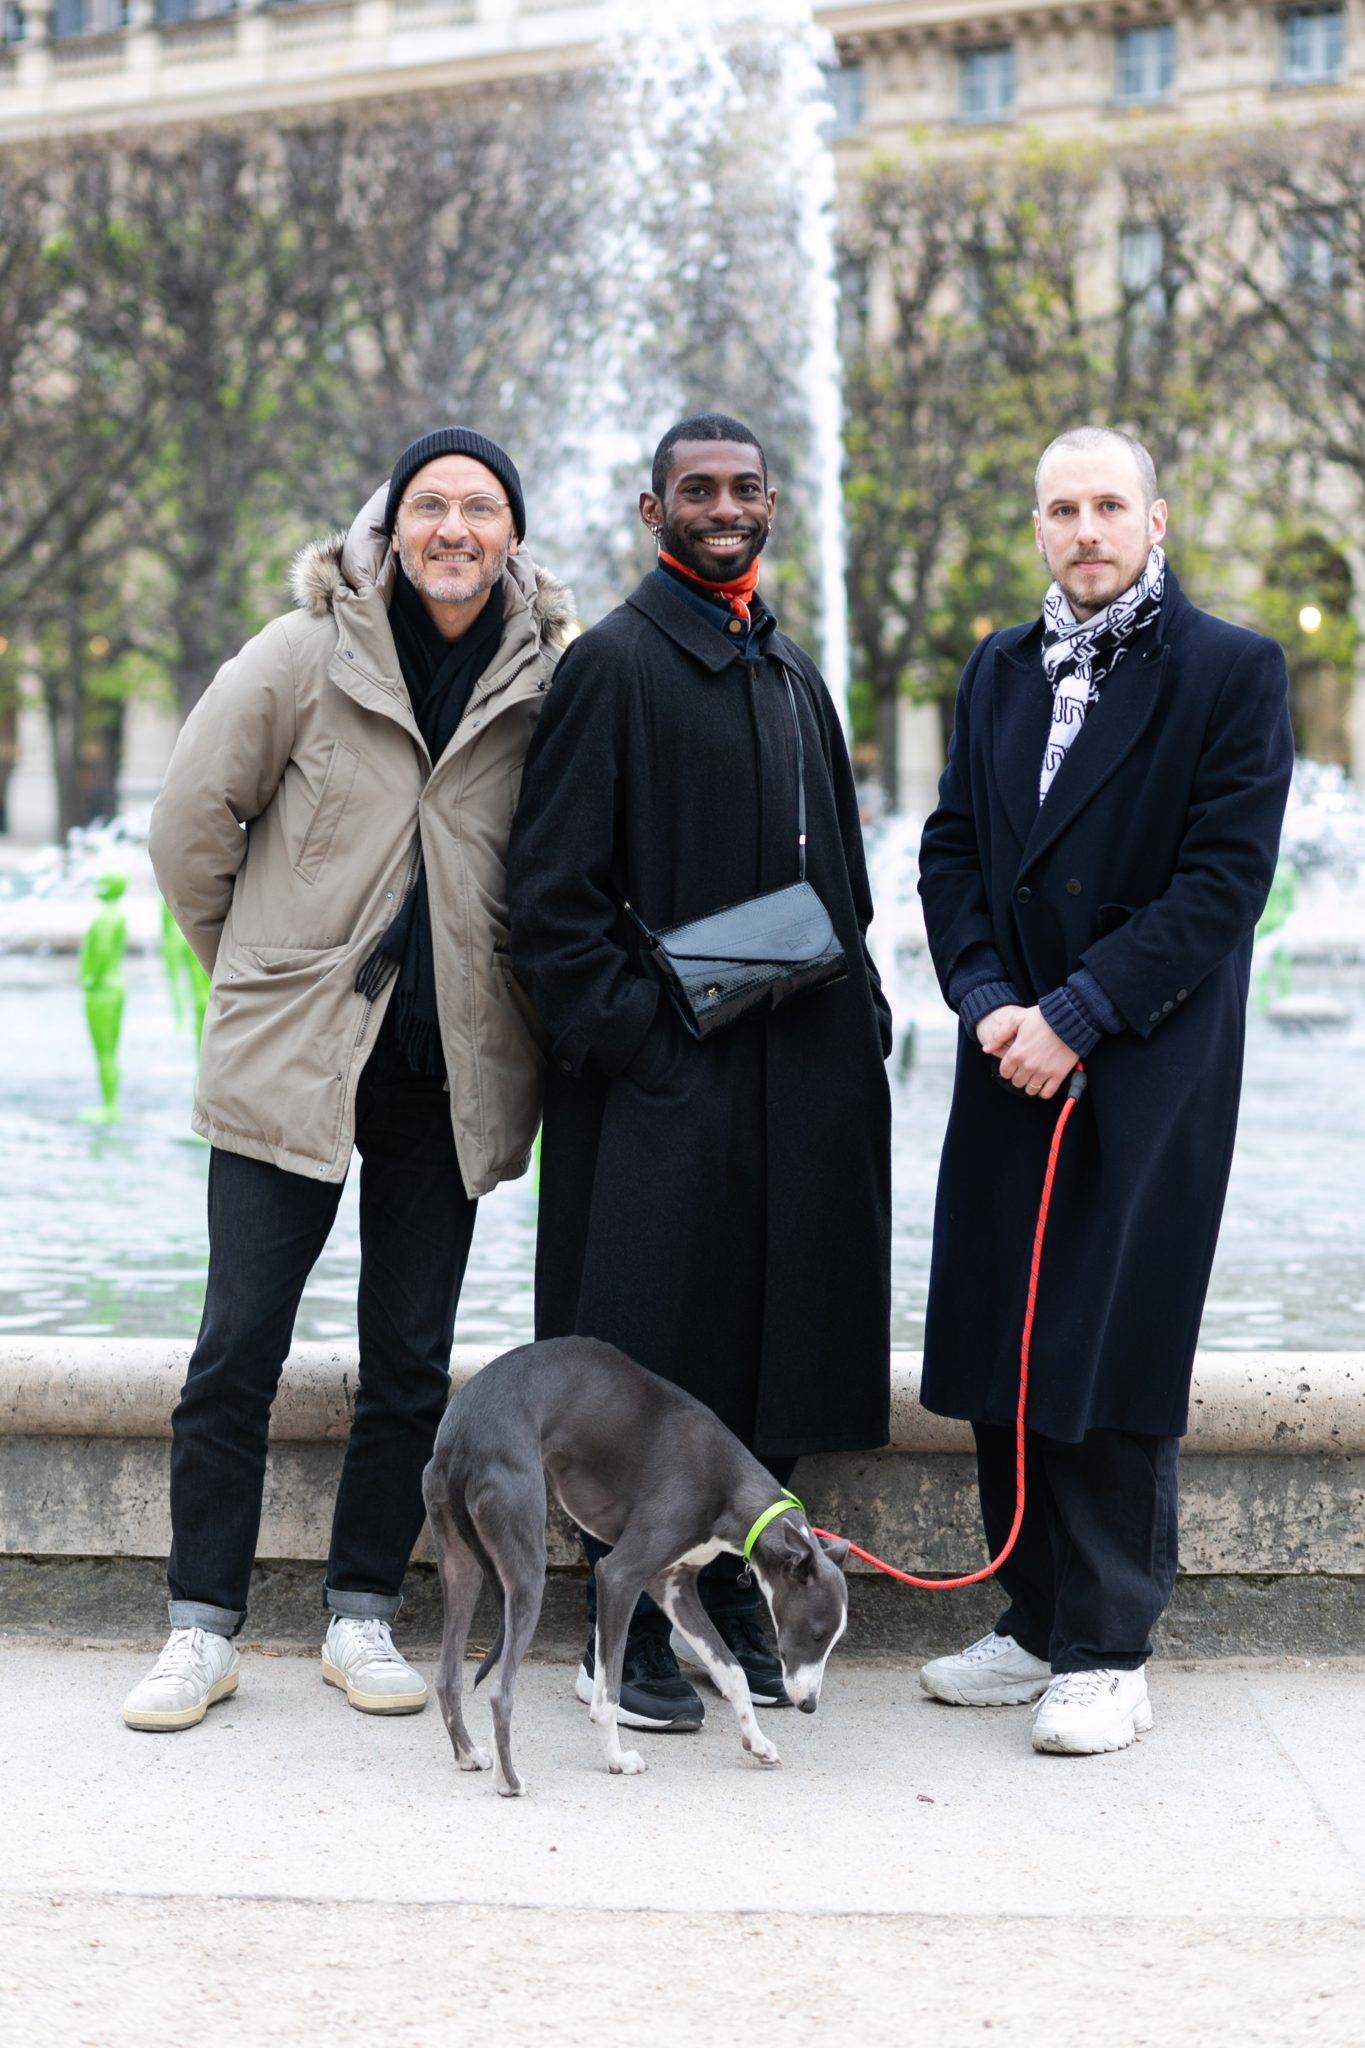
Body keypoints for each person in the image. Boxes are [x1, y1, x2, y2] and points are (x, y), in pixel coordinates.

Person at [123, 429, 572, 1733]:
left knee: (409, 1361)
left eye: (478, 508)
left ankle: (360, 1610)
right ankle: (198, 1627)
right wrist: (262, 973)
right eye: (428, 504)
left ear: (510, 534)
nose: (452, 527)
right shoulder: (301, 651)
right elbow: (188, 830)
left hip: (448, 1068)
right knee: (233, 1351)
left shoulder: (548, 676)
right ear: (388, 527)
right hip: (294, 1057)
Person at [507, 413, 892, 1733]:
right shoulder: (611, 666)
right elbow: (547, 903)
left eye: (743, 488)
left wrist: (873, 1017)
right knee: (653, 1359)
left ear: (771, 503)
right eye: (695, 489)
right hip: (664, 1100)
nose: (723, 506)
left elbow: (839, 878)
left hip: (796, 1090)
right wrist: (644, 1045)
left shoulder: (788, 671)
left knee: (770, 1350)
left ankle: (733, 1594)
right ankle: (632, 1632)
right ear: (648, 507)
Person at [916, 426, 1293, 1755]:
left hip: (1142, 1056)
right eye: (1062, 508)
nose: (1085, 529)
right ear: (1038, 528)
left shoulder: (1230, 671)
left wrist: (1078, 1012)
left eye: (1108, 506)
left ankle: (1107, 1643)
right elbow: (951, 846)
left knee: (1111, 1334)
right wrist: (982, 998)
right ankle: (1028, 1618)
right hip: (1007, 1044)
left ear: (1156, 520)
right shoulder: (997, 669)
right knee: (997, 1328)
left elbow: (1220, 885)